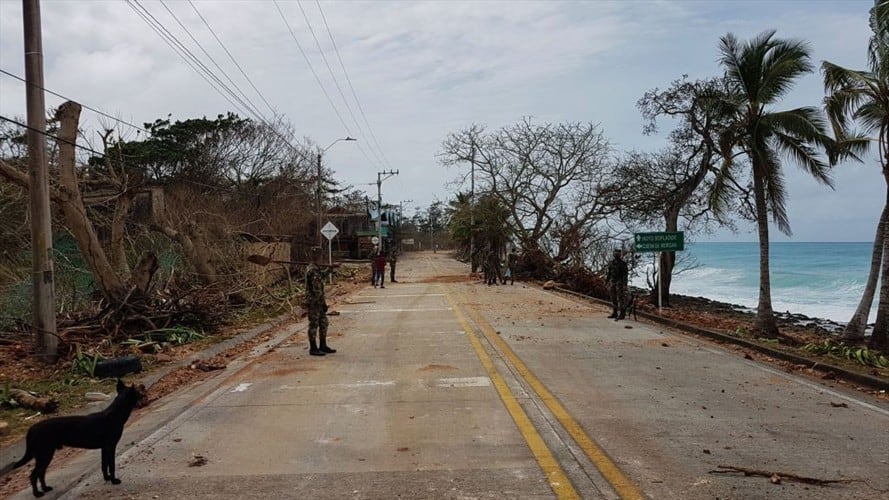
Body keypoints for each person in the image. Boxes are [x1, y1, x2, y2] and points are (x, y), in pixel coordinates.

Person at [305, 247, 339, 356]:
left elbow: (322, 277)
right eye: (320, 256)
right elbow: (317, 290)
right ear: (317, 257)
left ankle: (323, 345)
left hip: (318, 301)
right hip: (314, 302)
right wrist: (321, 303)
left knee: (323, 323)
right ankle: (313, 347)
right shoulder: (312, 270)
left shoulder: (316, 268)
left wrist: (330, 269)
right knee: (314, 324)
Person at [606, 249, 629, 320]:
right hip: (613, 282)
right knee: (613, 298)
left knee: (621, 298)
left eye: (618, 253)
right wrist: (606, 281)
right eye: (615, 253)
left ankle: (622, 313)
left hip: (620, 283)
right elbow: (609, 273)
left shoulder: (623, 264)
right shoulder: (611, 263)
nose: (616, 254)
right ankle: (615, 312)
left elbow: (625, 275)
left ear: (620, 255)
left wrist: (624, 284)